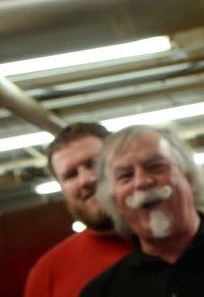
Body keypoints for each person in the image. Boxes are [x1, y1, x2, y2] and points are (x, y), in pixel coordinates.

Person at [81, 125, 204, 297]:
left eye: (155, 167)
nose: (142, 182)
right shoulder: (101, 293)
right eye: (126, 176)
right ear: (115, 201)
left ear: (189, 178)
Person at [24, 123, 131, 297]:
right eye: (71, 175)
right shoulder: (48, 274)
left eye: (93, 164)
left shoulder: (177, 239)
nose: (86, 180)